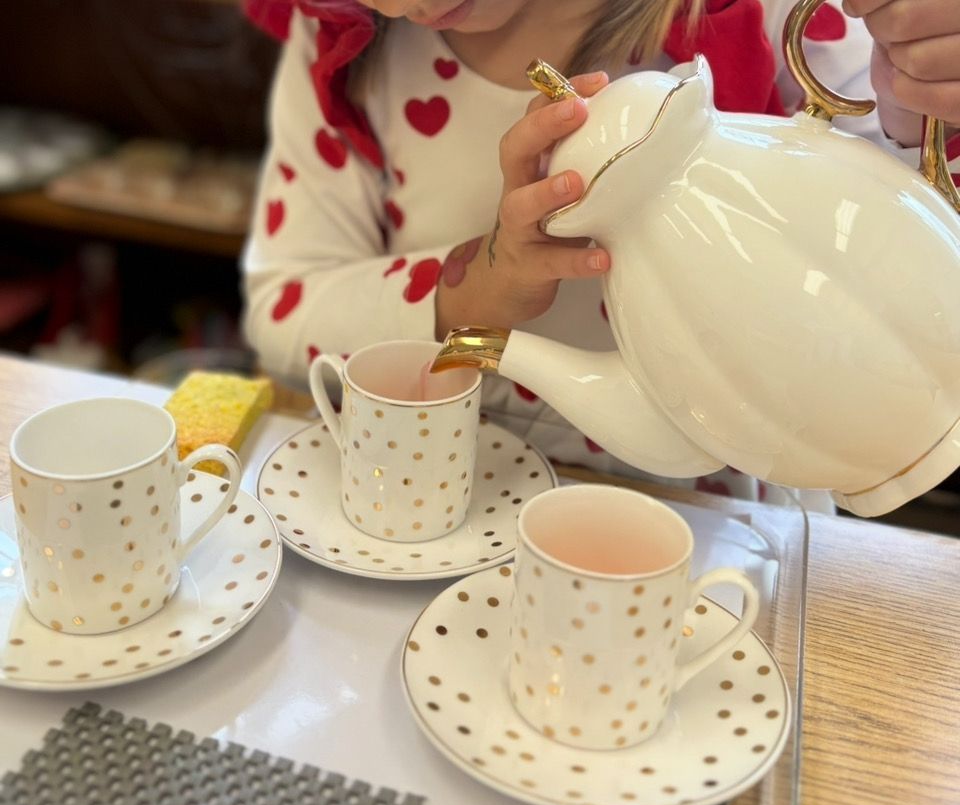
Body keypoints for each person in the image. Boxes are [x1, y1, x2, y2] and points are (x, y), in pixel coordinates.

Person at [242, 0, 960, 503]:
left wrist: (919, 111)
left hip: (741, 520)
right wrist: (478, 287)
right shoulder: (342, 44)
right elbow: (283, 309)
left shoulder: (765, 17)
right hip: (439, 499)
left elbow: (913, 263)